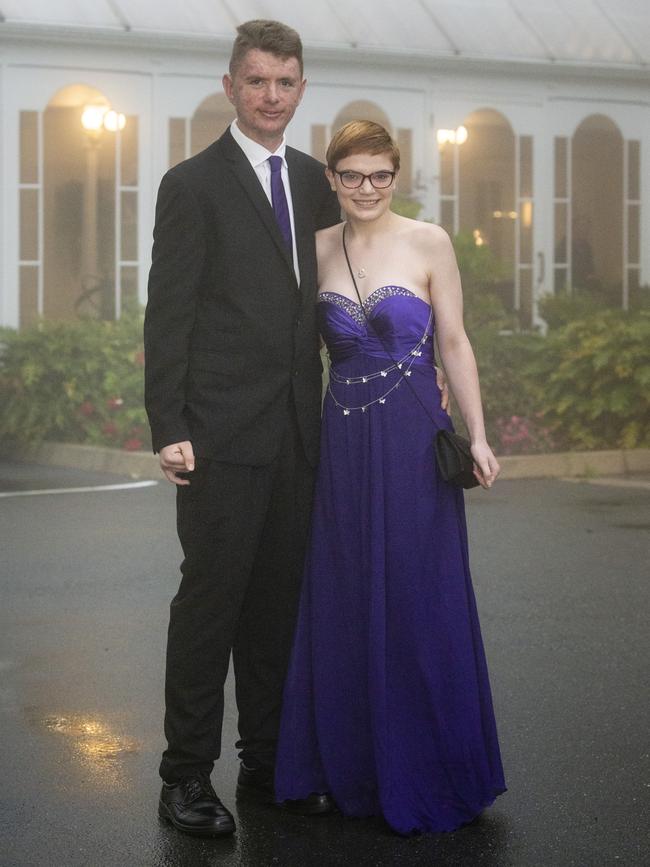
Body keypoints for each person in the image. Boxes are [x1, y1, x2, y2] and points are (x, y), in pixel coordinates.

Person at [274, 121, 507, 835]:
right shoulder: (314, 250)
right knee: (345, 590)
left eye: (380, 175)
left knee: (417, 589)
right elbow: (290, 349)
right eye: (352, 176)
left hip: (412, 438)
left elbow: (455, 341)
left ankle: (429, 764)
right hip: (342, 441)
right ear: (333, 181)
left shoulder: (429, 241)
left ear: (395, 177)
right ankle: (349, 765)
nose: (366, 189)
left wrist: (479, 432)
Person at [144, 20, 341, 837]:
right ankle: (184, 776)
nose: (271, 97)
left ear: (301, 89)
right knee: (211, 607)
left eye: (285, 82)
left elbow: (331, 300)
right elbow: (170, 314)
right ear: (230, 86)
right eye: (256, 81)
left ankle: (267, 762)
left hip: (300, 434)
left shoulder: (314, 179)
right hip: (219, 437)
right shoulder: (191, 184)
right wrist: (170, 423)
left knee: (277, 609)